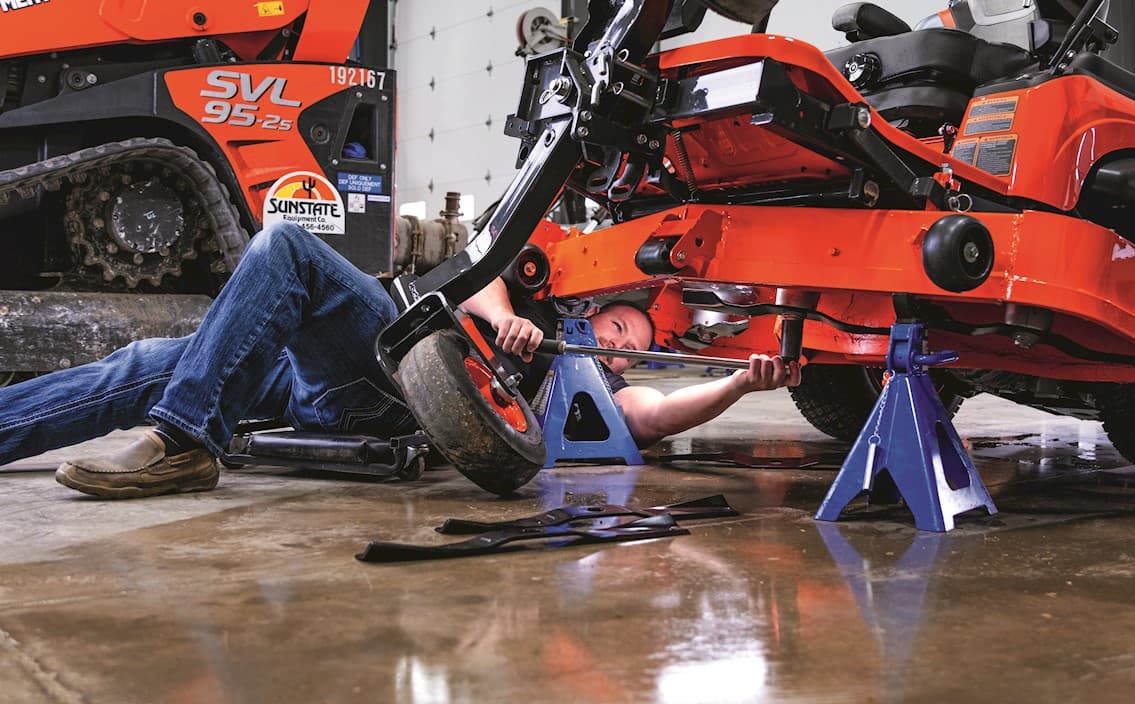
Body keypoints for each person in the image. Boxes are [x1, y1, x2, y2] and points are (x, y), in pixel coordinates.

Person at [0, 221, 799, 499]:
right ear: (598, 309)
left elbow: (654, 419)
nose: (617, 344)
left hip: (394, 379)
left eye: (627, 349)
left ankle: (182, 443)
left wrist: (736, 385)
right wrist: (507, 321)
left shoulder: (582, 389)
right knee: (145, 362)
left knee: (287, 247)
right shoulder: (536, 299)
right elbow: (477, 274)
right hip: (344, 357)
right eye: (617, 327)